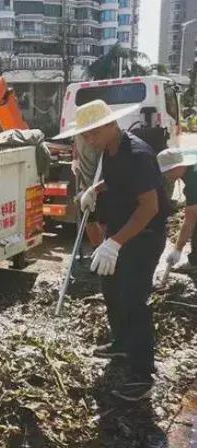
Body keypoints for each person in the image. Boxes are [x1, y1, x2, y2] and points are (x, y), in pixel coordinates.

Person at [54, 100, 170, 402]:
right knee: (111, 287)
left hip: (143, 236)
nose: (89, 140)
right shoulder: (111, 150)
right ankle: (121, 342)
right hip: (120, 233)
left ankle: (142, 374)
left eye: (92, 134)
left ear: (109, 125)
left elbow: (149, 207)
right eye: (85, 135)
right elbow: (116, 180)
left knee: (134, 300)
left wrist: (116, 242)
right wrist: (96, 190)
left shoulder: (139, 155)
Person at [157, 148, 197, 273]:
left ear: (176, 167)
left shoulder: (193, 182)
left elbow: (189, 220)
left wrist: (178, 249)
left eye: (167, 172)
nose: (165, 176)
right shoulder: (190, 161)